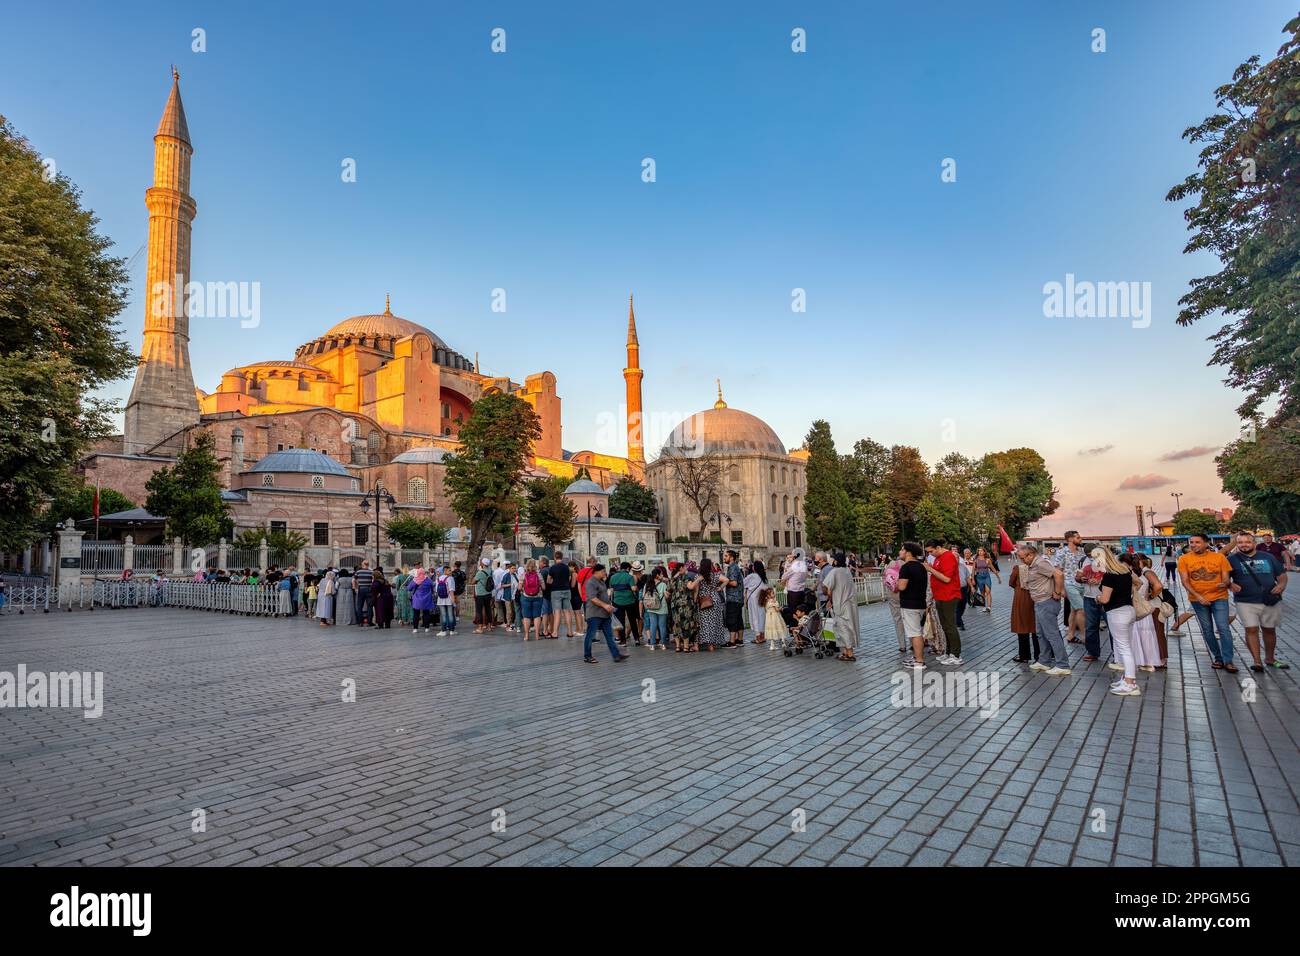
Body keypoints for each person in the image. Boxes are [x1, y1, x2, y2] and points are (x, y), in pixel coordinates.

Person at [1227, 532, 1289, 672]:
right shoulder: (1232, 559)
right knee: (1251, 629)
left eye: (1247, 542)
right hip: (1245, 600)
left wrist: (1280, 586)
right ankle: (1257, 661)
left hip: (1269, 600)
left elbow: (1282, 575)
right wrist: (1230, 585)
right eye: (1240, 542)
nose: (1244, 545)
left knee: (1269, 630)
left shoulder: (1268, 557)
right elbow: (1225, 578)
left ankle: (1270, 658)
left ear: (1254, 543)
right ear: (1237, 544)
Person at [1178, 532, 1237, 672]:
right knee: (1207, 630)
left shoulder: (1219, 557)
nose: (1193, 545)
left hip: (1219, 597)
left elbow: (1226, 578)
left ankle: (1228, 660)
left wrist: (1225, 584)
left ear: (1206, 543)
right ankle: (1218, 657)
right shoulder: (1184, 559)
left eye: (1197, 542)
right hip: (1197, 599)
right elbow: (1185, 581)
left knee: (1223, 628)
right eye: (1191, 542)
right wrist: (1198, 596)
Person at [1018, 543, 1070, 676]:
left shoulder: (1040, 563)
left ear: (1030, 555)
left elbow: (1058, 574)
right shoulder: (1033, 564)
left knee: (1052, 634)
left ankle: (1062, 664)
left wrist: (1057, 592)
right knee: (1041, 633)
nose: (1021, 561)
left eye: (1023, 558)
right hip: (1040, 602)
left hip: (1047, 602)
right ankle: (1044, 661)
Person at [1096, 548, 1141, 696]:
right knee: (1126, 647)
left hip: (1117, 613)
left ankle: (1130, 683)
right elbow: (1139, 582)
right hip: (1129, 610)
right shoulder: (1124, 571)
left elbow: (1105, 599)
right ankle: (1127, 679)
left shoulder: (1109, 576)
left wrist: (1097, 598)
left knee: (1124, 648)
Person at [923, 540, 963, 665]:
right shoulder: (938, 557)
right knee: (945, 626)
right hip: (940, 596)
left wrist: (930, 569)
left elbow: (946, 578)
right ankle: (948, 652)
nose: (930, 554)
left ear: (938, 547)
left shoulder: (948, 557)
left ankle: (956, 655)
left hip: (949, 596)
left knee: (950, 626)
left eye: (931, 551)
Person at [582, 564, 628, 664]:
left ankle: (616, 655)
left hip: (605, 614)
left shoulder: (602, 581)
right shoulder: (591, 582)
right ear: (596, 572)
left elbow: (603, 596)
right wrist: (605, 605)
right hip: (594, 614)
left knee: (609, 636)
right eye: (603, 571)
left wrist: (609, 606)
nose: (604, 573)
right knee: (590, 635)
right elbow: (593, 599)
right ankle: (587, 656)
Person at [820, 552, 859, 662]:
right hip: (850, 604)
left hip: (840, 604)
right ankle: (845, 652)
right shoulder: (847, 571)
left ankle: (849, 653)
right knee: (849, 627)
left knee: (842, 628)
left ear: (836, 561)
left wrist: (829, 599)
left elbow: (827, 588)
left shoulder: (835, 572)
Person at [1128, 554, 1164, 671]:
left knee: (1138, 636)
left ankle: (1143, 661)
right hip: (1145, 609)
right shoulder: (1142, 573)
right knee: (1148, 636)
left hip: (1140, 608)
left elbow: (1158, 586)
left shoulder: (1141, 573)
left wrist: (1152, 596)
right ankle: (1150, 661)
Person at [896, 542, 929, 670]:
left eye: (902, 549)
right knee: (914, 631)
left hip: (909, 604)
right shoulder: (921, 567)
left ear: (908, 552)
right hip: (920, 602)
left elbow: (902, 586)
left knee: (915, 633)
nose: (900, 552)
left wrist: (896, 583)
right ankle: (916, 657)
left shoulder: (906, 567)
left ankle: (919, 661)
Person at [1052, 531, 1088, 644]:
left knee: (1074, 610)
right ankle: (1085, 636)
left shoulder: (1082, 552)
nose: (1080, 539)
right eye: (1078, 537)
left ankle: (1070, 636)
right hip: (1069, 584)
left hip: (1082, 585)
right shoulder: (1061, 552)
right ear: (1070, 539)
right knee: (1081, 609)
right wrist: (1061, 589)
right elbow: (1058, 571)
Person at [1008, 553, 1040, 663]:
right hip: (1035, 596)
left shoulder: (1017, 568)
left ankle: (1024, 655)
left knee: (1021, 626)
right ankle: (1039, 655)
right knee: (1035, 626)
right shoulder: (1037, 567)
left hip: (1021, 598)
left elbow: (1011, 583)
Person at [1076, 545, 1106, 662]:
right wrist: (1081, 579)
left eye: (1092, 555)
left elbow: (1112, 576)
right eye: (1088, 555)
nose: (1091, 557)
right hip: (1089, 597)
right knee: (1091, 626)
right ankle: (1092, 652)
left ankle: (1117, 654)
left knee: (1112, 626)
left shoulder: (1106, 561)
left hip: (1104, 597)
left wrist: (1100, 580)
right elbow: (1077, 577)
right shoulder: (1083, 561)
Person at [696, 557, 728, 651]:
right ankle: (714, 643)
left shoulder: (698, 577)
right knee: (715, 622)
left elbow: (696, 589)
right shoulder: (715, 575)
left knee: (705, 623)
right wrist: (720, 588)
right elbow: (726, 580)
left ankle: (708, 644)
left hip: (703, 601)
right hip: (714, 599)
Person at [670, 560, 700, 652]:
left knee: (676, 625)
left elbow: (667, 592)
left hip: (675, 604)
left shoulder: (673, 579)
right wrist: (698, 579)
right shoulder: (686, 577)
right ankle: (686, 647)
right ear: (681, 568)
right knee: (685, 625)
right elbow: (690, 587)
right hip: (685, 605)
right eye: (685, 568)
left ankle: (678, 646)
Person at [882, 550, 908, 653]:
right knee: (909, 619)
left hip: (893, 594)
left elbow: (885, 576)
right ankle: (913, 642)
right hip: (905, 593)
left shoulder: (891, 564)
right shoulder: (907, 564)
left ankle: (902, 645)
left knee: (898, 620)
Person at [608, 561, 640, 645]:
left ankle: (623, 641)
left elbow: (611, 590)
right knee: (632, 620)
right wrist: (636, 588)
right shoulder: (629, 577)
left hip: (617, 602)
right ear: (628, 568)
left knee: (621, 622)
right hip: (629, 601)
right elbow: (633, 588)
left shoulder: (613, 577)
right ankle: (636, 639)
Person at [547, 551, 577, 640]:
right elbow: (569, 579)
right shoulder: (567, 568)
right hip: (566, 590)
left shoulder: (552, 568)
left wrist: (555, 582)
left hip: (556, 591)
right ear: (562, 557)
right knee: (567, 611)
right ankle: (570, 632)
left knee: (557, 612)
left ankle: (555, 633)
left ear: (555, 558)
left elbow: (548, 581)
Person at [641, 565, 670, 649]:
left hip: (650, 608)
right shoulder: (663, 585)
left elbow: (643, 596)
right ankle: (663, 644)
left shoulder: (647, 585)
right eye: (661, 574)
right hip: (662, 607)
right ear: (657, 575)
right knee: (662, 626)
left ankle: (652, 645)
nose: (662, 576)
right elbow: (667, 596)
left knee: (652, 626)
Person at [722, 550, 745, 646]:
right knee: (739, 619)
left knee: (732, 619)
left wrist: (723, 581)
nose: (724, 558)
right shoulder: (736, 567)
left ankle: (732, 642)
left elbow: (734, 583)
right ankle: (739, 640)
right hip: (738, 598)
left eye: (726, 556)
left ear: (731, 557)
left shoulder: (732, 567)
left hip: (733, 598)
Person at [519, 559, 545, 641]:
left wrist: (523, 588)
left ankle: (526, 635)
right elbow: (544, 587)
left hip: (526, 597)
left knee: (526, 616)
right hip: (537, 597)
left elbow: (519, 588)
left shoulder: (523, 575)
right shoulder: (538, 575)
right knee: (537, 616)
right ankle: (537, 635)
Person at [743, 559, 768, 644]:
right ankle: (762, 636)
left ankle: (758, 637)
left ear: (755, 568)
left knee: (755, 617)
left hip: (753, 600)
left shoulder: (752, 576)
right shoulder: (763, 577)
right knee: (762, 617)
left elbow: (743, 583)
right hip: (761, 599)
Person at [408, 566, 435, 634]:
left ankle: (415, 629)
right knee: (426, 613)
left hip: (417, 599)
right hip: (427, 599)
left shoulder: (415, 580)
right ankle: (426, 628)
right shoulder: (428, 580)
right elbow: (432, 587)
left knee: (416, 614)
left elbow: (409, 588)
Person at [973, 547, 1000, 612]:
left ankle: (989, 607)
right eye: (979, 551)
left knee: (988, 592)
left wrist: (998, 578)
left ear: (984, 552)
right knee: (982, 593)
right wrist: (973, 579)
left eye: (981, 551)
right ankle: (984, 606)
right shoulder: (976, 560)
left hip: (986, 576)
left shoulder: (987, 560)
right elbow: (973, 570)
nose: (980, 552)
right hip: (979, 577)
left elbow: (993, 569)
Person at [473, 558, 495, 634]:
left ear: (482, 564)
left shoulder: (480, 572)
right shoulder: (490, 571)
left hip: (480, 594)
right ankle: (489, 626)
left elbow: (473, 581)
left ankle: (480, 628)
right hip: (488, 593)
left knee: (479, 611)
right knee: (488, 609)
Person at [435, 564, 457, 635]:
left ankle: (443, 631)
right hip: (449, 599)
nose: (451, 572)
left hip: (440, 599)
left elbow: (436, 590)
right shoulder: (450, 578)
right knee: (450, 615)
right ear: (445, 570)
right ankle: (451, 631)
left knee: (443, 615)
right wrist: (453, 600)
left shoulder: (438, 579)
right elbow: (451, 590)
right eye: (449, 570)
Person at [353, 560, 374, 626]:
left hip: (361, 589)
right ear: (368, 564)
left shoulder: (358, 572)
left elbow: (353, 580)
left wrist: (355, 588)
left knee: (360, 606)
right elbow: (373, 581)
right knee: (369, 606)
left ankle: (360, 622)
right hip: (369, 589)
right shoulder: (371, 572)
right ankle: (369, 622)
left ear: (363, 564)